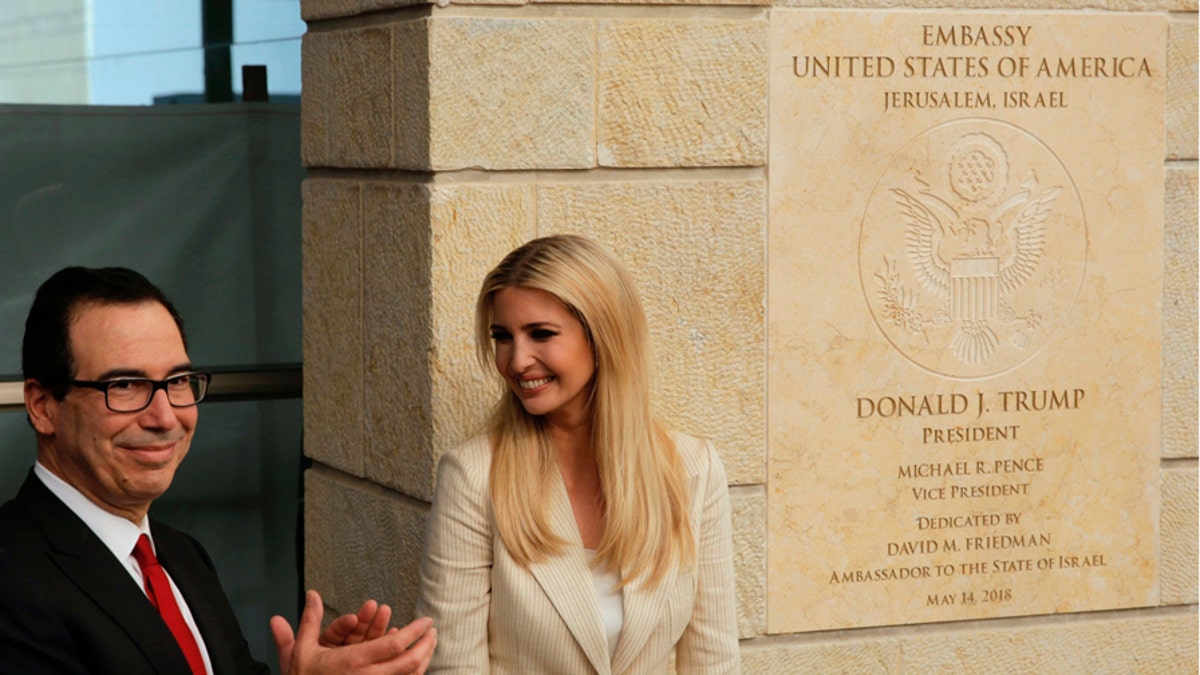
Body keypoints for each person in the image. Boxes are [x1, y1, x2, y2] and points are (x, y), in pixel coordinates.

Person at [0, 266, 437, 674]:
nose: (166, 417)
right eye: (125, 386)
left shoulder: (180, 555)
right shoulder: (13, 583)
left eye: (176, 382)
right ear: (42, 407)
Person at [417, 234, 740, 673]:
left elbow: (714, 662)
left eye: (541, 334)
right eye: (503, 337)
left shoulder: (692, 471)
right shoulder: (473, 476)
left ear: (603, 335)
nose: (517, 361)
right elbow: (453, 666)